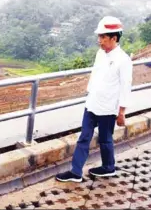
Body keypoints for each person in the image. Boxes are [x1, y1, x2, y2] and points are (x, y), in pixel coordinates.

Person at [56, 16, 133, 182]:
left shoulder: (123, 60)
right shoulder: (100, 54)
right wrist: (89, 92)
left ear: (114, 38)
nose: (100, 40)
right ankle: (76, 172)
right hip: (91, 104)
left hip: (107, 107)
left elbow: (126, 87)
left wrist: (122, 112)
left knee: (105, 140)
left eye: (103, 37)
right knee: (84, 137)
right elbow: (96, 75)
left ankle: (108, 167)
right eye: (99, 37)